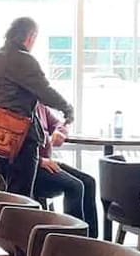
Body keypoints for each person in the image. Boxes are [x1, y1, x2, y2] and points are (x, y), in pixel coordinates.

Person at [0, 17, 74, 197]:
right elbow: (45, 92)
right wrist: (67, 110)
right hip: (20, 141)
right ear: (31, 36)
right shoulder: (25, 60)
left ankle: (1, 225)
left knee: (1, 196)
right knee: (21, 200)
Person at [32, 101, 99, 237]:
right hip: (31, 167)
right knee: (75, 186)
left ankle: (92, 241)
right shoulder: (21, 108)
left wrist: (59, 131)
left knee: (88, 181)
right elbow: (14, 151)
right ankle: (73, 241)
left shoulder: (41, 106)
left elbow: (59, 124)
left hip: (47, 162)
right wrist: (38, 160)